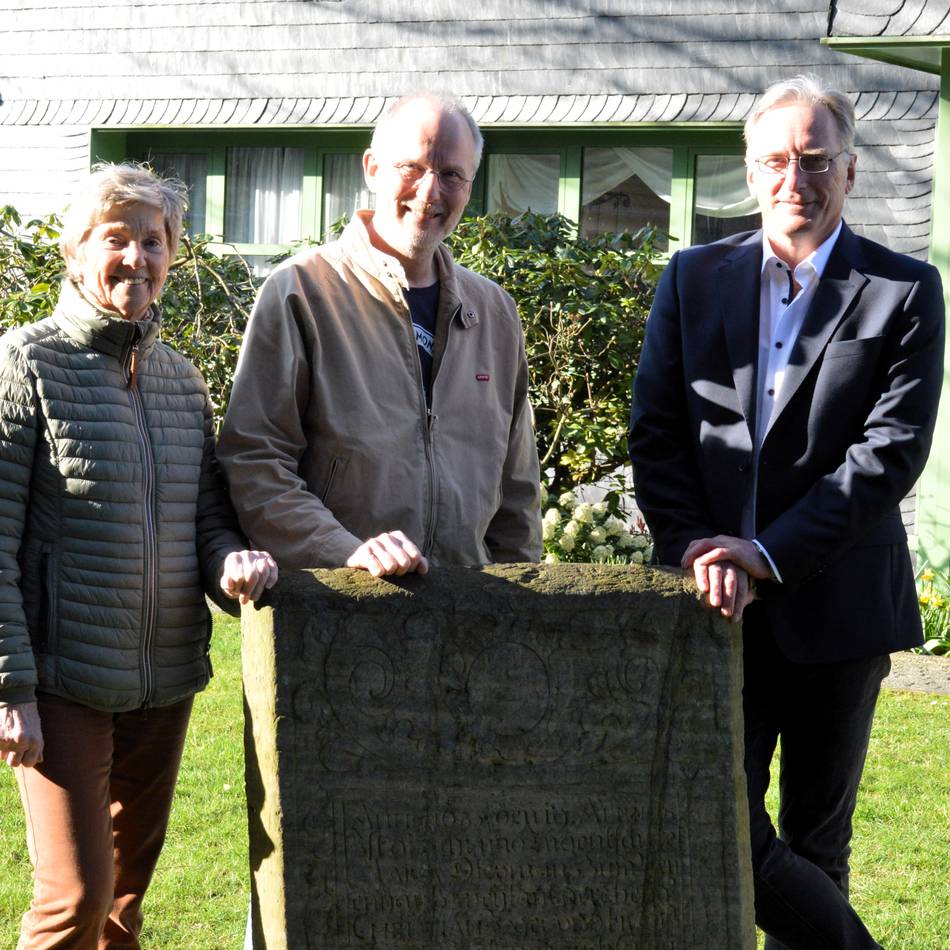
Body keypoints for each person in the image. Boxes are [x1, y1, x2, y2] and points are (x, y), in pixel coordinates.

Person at [628, 76, 944, 949]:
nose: (792, 179)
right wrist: (700, 549)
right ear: (749, 169)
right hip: (710, 603)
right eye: (774, 160)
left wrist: (765, 553)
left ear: (849, 170)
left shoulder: (905, 290)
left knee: (817, 840)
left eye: (813, 160)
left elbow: (888, 456)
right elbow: (655, 431)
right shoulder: (693, 278)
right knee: (711, 820)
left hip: (839, 608)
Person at [0, 163, 278, 949]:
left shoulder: (182, 383)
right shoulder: (26, 364)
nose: (135, 258)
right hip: (63, 680)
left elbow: (210, 519)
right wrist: (9, 686)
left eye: (151, 241)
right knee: (77, 899)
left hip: (166, 681)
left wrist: (231, 562)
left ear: (170, 255)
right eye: (114, 238)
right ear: (76, 249)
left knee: (124, 904)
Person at [217, 93, 541, 575]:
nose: (430, 192)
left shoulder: (493, 311)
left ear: (469, 186)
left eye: (451, 174)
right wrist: (342, 549)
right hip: (340, 608)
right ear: (371, 169)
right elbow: (255, 461)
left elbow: (516, 488)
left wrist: (518, 599)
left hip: (468, 611)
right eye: (411, 167)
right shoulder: (302, 292)